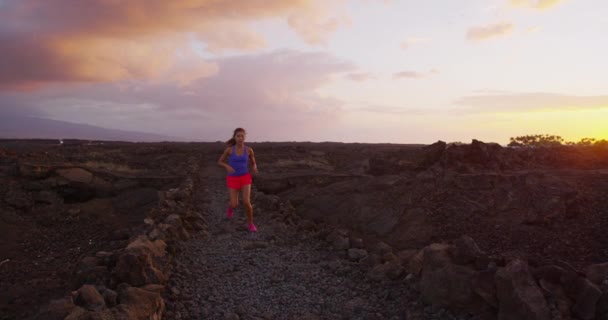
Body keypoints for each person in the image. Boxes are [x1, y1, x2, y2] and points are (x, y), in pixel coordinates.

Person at [217, 128, 259, 232]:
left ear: (245, 137)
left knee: (246, 202)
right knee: (234, 204)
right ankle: (230, 207)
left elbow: (253, 162)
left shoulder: (249, 150)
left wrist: (254, 167)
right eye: (238, 136)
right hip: (232, 178)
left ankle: (250, 224)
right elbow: (220, 161)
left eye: (242, 136)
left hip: (245, 177)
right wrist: (227, 166)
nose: (240, 138)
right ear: (234, 137)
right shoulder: (229, 150)